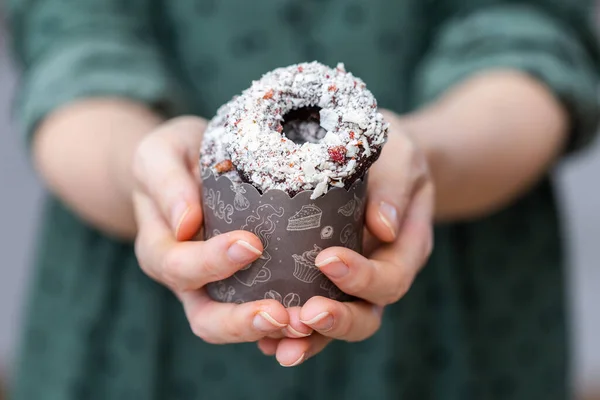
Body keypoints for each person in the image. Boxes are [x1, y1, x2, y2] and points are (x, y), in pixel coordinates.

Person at [4, 0, 600, 399]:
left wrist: (425, 159)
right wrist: (152, 178)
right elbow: (71, 43)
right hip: (136, 328)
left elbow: (528, 31)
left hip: (454, 302)